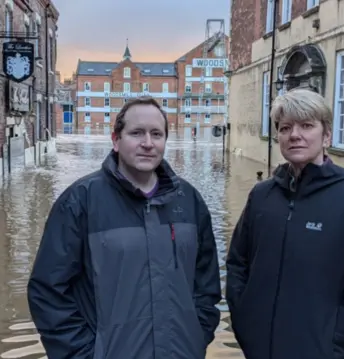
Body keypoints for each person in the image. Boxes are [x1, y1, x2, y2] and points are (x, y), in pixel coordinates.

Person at [27, 96, 222, 359]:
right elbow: (48, 291)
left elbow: (206, 286)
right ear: (116, 140)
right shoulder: (80, 201)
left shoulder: (189, 201)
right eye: (136, 133)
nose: (148, 143)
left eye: (156, 134)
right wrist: (83, 354)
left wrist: (196, 337)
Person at [226, 89, 344, 359]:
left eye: (306, 125)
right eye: (285, 127)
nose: (294, 135)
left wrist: (335, 350)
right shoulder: (261, 196)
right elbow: (237, 264)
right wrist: (245, 324)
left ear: (326, 136)